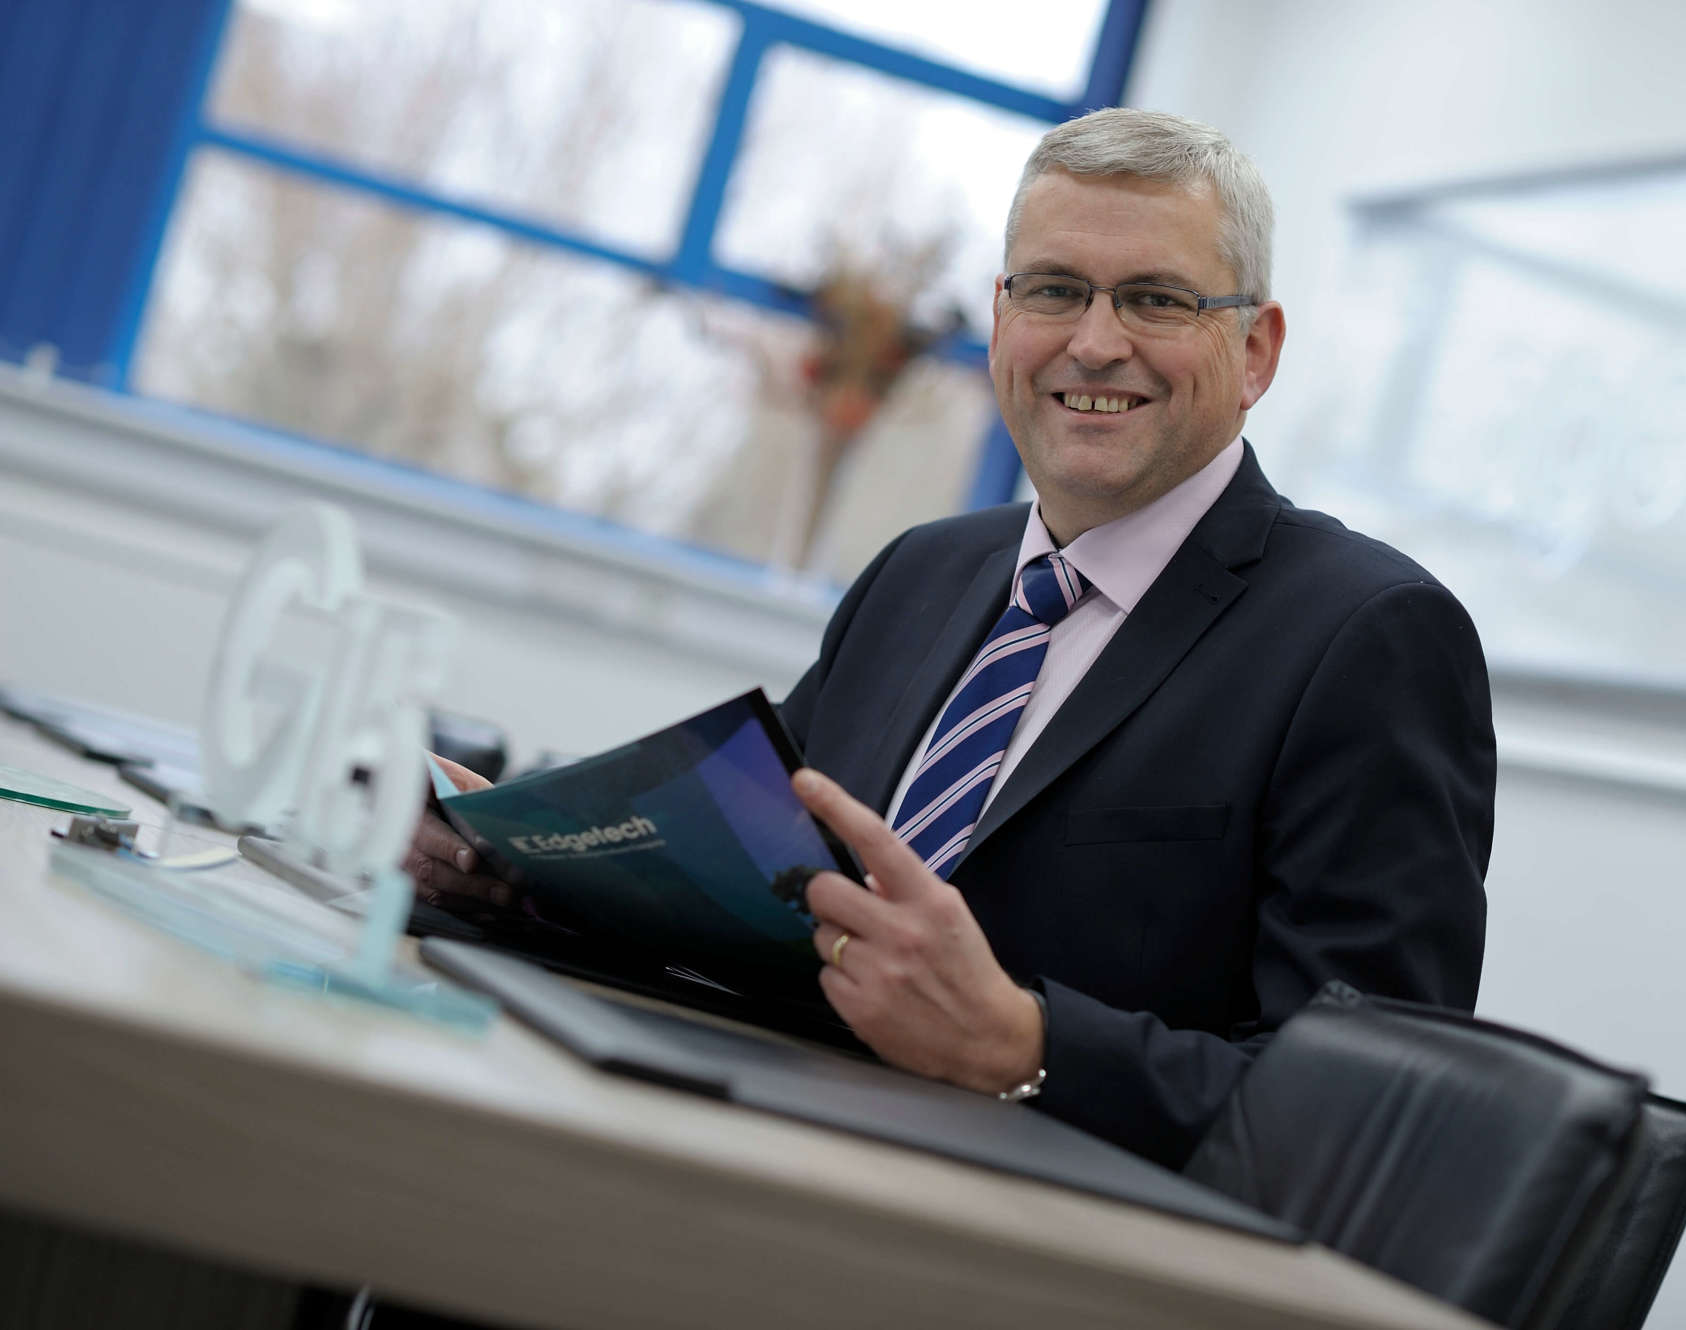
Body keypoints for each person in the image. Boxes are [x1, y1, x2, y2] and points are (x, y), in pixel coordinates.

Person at [411, 108, 1495, 1169]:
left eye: (1155, 299)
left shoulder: (1370, 638)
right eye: (1055, 290)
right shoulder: (921, 571)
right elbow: (744, 887)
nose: (1094, 341)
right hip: (765, 1157)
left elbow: (1369, 1119)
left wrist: (1024, 1045)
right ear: (998, 322)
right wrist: (516, 868)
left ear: (1253, 349)